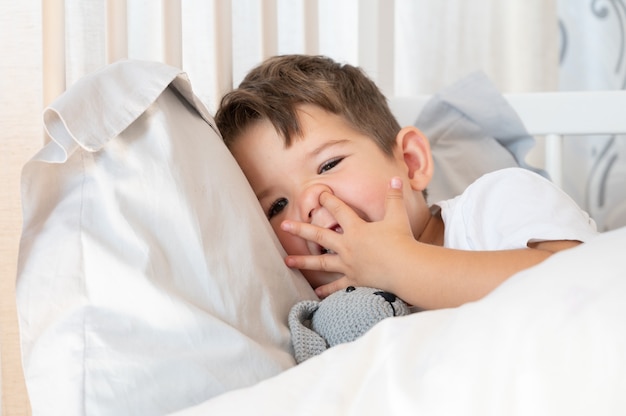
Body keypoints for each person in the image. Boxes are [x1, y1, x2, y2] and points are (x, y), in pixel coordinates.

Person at [214, 54, 598, 310]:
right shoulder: (327, 309)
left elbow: (582, 283)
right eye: (276, 206)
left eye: (329, 164)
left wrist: (399, 265)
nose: (309, 202)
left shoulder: (496, 204)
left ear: (411, 162)